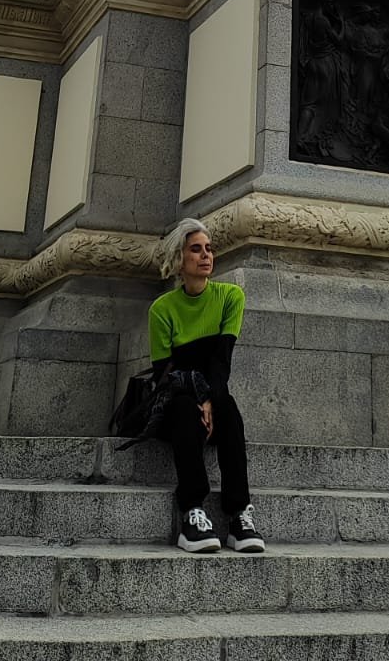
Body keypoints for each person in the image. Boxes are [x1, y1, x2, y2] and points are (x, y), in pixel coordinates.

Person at [148, 219, 265, 555]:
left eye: (209, 249)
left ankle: (239, 516)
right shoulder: (162, 309)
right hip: (176, 404)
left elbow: (221, 362)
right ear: (179, 259)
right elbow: (164, 375)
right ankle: (192, 513)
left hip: (213, 394)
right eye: (196, 249)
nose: (206, 256)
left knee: (227, 407)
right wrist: (201, 399)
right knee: (185, 408)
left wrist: (211, 400)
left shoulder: (230, 297)